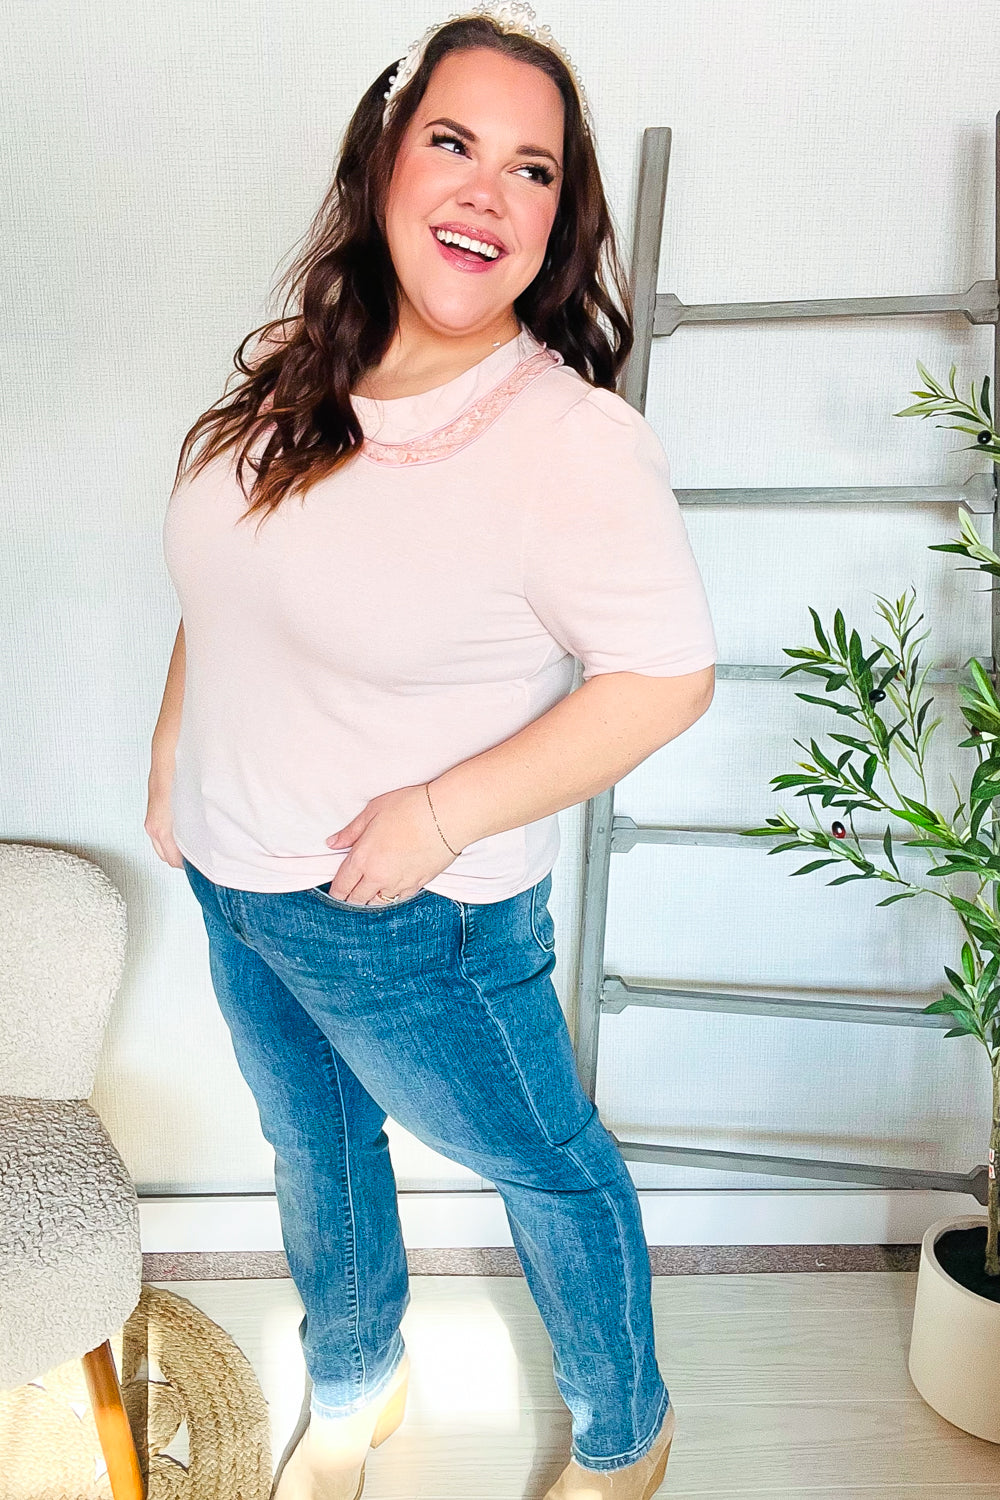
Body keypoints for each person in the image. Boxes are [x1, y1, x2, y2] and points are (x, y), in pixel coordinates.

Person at [146, 3, 718, 1496]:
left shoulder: (566, 443)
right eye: (453, 143)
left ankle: (626, 1434)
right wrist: (174, 748)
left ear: (557, 221)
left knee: (551, 1167)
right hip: (235, 881)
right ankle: (355, 1385)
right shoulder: (298, 366)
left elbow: (666, 677)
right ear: (384, 163)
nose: (487, 191)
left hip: (411, 919)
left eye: (533, 170)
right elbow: (228, 583)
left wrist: (439, 815)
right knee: (316, 1155)